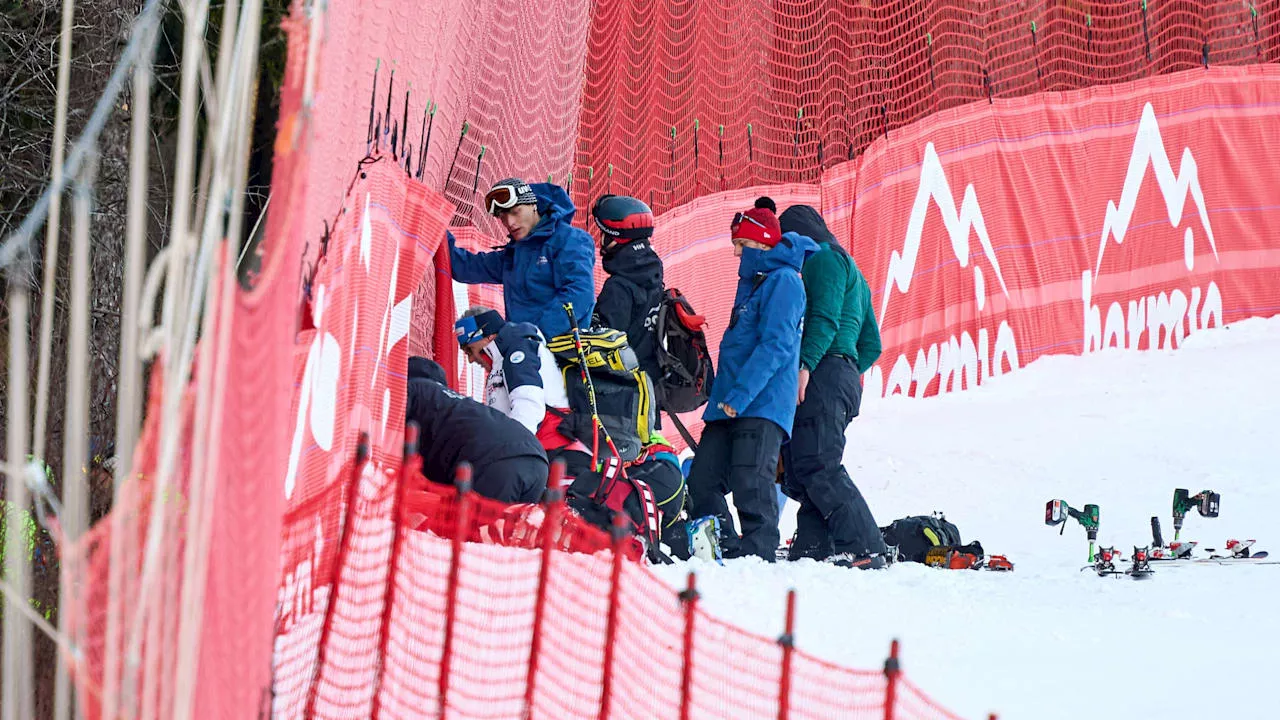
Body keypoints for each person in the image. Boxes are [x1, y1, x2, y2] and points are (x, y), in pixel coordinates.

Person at [685, 197, 817, 562]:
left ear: (759, 243)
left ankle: (759, 556)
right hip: (730, 403)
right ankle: (722, 543)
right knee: (701, 481)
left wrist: (740, 395)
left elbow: (776, 346)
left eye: (740, 246)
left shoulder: (785, 282)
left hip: (759, 403)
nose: (736, 255)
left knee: (751, 482)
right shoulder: (755, 283)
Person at [778, 203, 887, 569]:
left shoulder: (822, 259)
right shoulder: (854, 270)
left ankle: (865, 546)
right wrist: (848, 369)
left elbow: (822, 319)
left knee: (818, 464)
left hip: (822, 372)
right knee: (804, 466)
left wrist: (808, 365)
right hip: (840, 375)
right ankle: (813, 545)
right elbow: (872, 343)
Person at [448, 178, 596, 340]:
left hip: (561, 353)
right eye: (502, 217)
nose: (509, 222)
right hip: (524, 351)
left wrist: (534, 335)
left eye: (515, 211)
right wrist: (437, 229)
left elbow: (580, 295)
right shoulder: (514, 254)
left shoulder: (570, 239)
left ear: (534, 205)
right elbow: (465, 268)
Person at [405, 355, 548, 504]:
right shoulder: (453, 405)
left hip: (496, 461)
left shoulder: (414, 389)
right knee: (507, 525)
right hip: (537, 460)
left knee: (471, 523)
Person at [590, 194, 664, 383]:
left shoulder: (618, 287)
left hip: (623, 389)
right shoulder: (653, 274)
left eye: (604, 234)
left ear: (613, 237)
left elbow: (605, 342)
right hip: (650, 382)